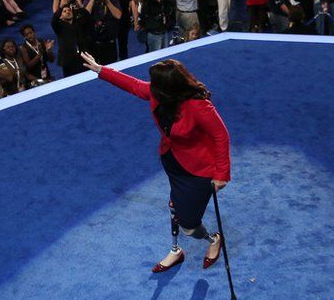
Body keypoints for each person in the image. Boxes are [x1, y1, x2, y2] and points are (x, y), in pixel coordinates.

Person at [80, 53, 230, 273]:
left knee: (189, 225)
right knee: (174, 207)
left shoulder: (198, 105)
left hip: (198, 171)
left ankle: (213, 238)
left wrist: (221, 174)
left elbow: (221, 136)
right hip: (172, 160)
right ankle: (176, 251)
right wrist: (101, 69)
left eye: (156, 82)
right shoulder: (157, 93)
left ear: (169, 86)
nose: (151, 86)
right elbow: (132, 85)